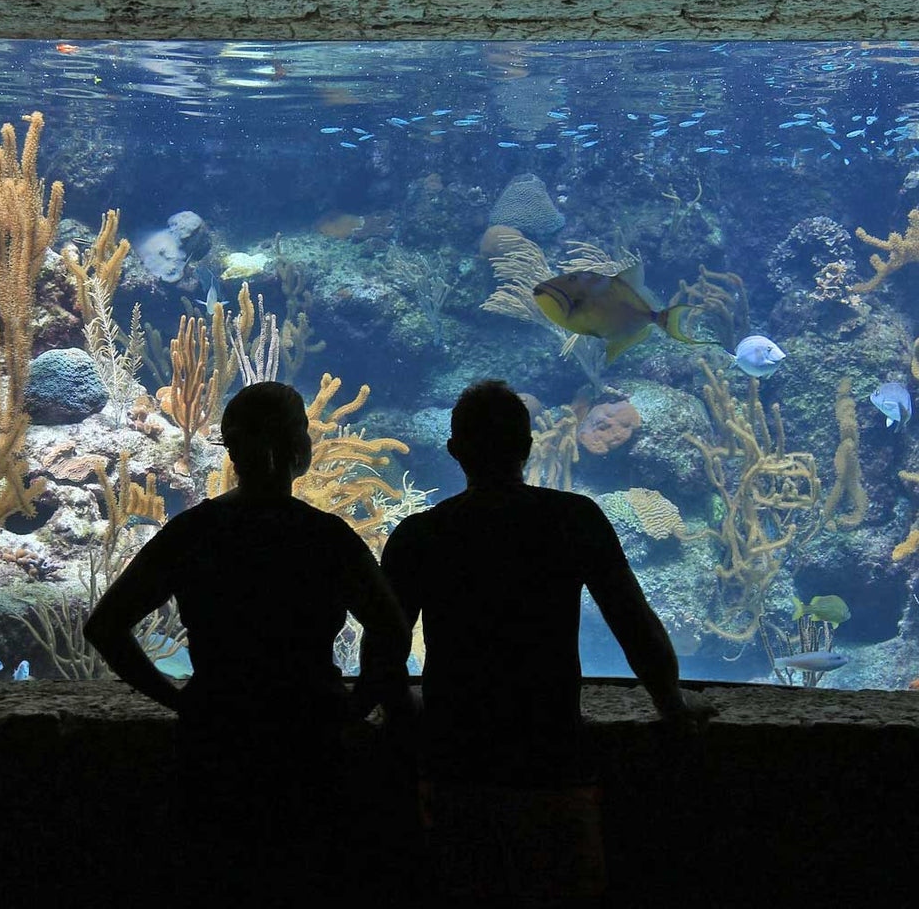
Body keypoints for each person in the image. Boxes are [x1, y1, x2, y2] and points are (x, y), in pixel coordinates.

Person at [360, 379, 717, 908]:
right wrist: (671, 702)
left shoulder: (419, 535)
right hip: (552, 757)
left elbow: (383, 648)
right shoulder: (574, 519)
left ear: (455, 450)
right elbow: (633, 623)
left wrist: (401, 709)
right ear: (528, 446)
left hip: (455, 761)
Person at [83, 381, 412, 906]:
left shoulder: (194, 532)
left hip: (216, 735)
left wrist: (177, 698)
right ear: (299, 449)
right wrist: (358, 705)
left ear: (231, 451)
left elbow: (104, 627)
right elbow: (392, 629)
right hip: (310, 735)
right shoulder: (325, 536)